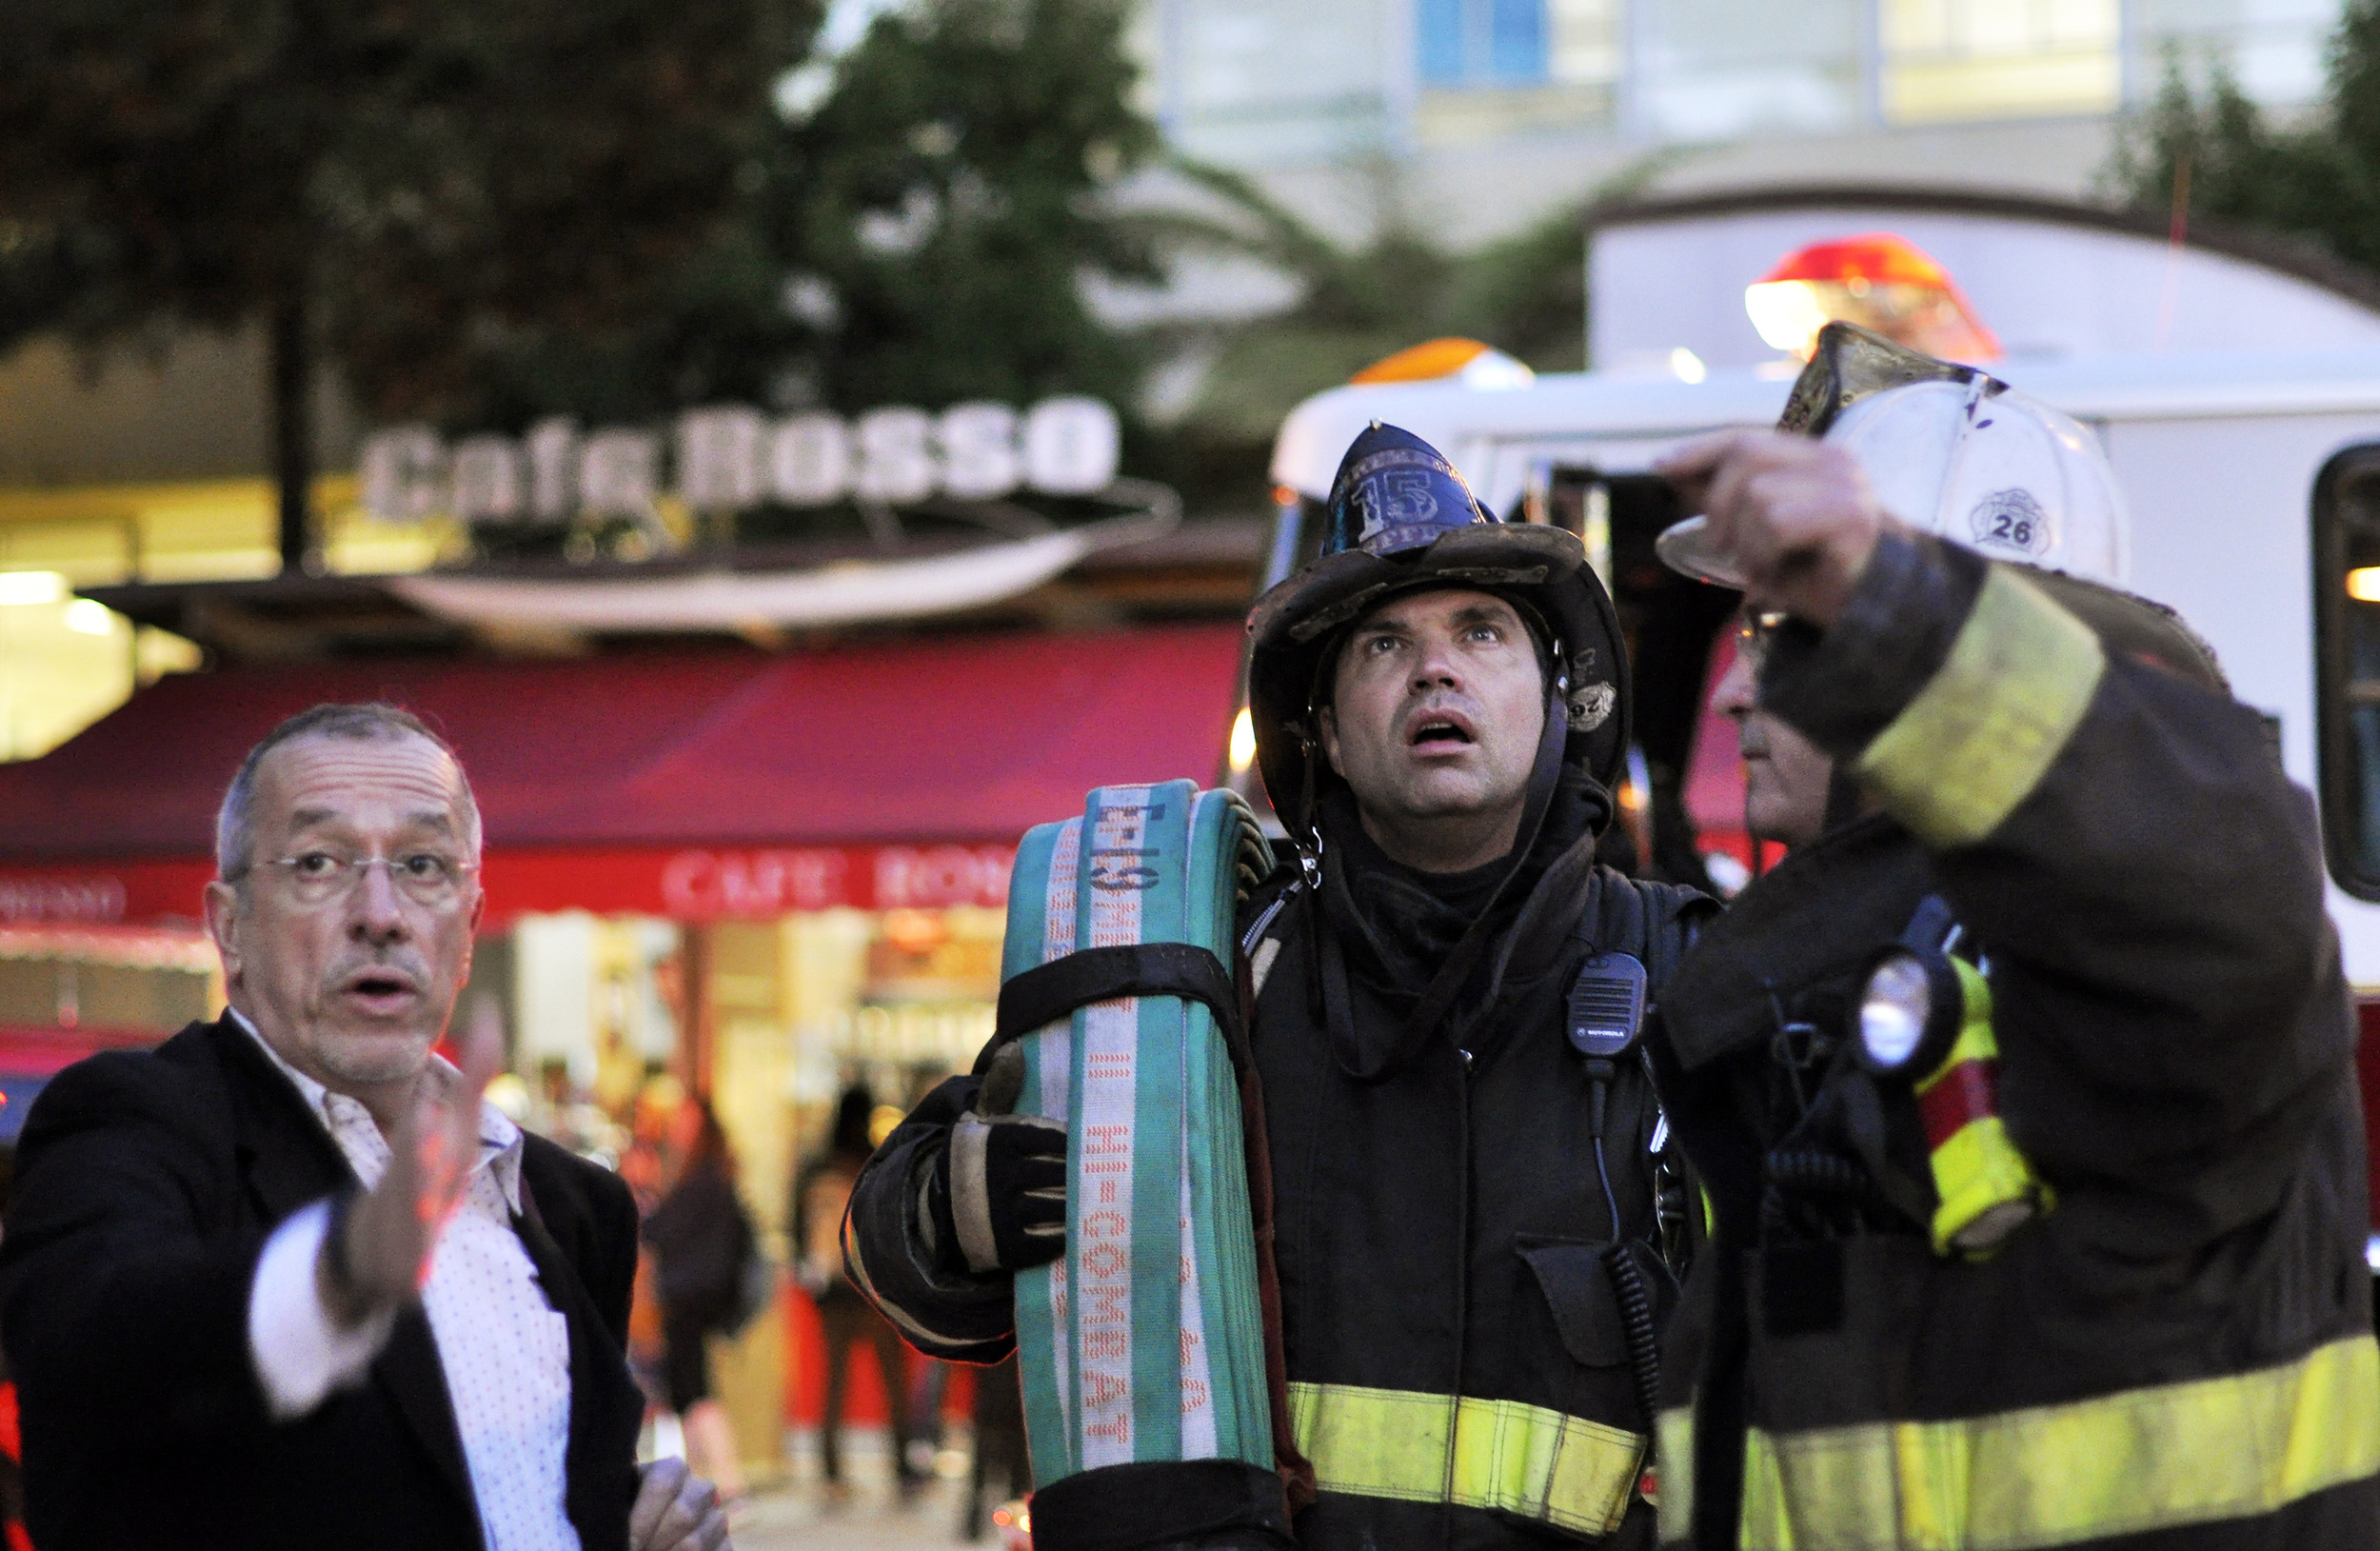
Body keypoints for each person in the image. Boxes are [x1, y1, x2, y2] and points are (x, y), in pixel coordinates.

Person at [843, 423, 1714, 1549]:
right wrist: (952, 1214)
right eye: (1382, 647)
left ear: (1555, 703)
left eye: (1481, 631)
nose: (1435, 667)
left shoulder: (1686, 978)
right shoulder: (1206, 978)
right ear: (1329, 743)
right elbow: (889, 1249)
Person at [1644, 325, 2380, 1549]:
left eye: (1782, 641)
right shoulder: (1829, 983)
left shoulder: (2126, 944)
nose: (1733, 693)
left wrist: (1887, 615)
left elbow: (2212, 873)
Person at [0, 703, 733, 1551]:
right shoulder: (131, 1121)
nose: (379, 911)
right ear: (229, 926)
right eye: (318, 862)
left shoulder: (571, 1205)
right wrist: (341, 1270)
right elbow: (95, 1345)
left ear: (465, 928)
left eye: (422, 864)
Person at [791, 1085, 922, 1503]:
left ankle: (831, 1471)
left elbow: (797, 1231)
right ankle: (901, 1465)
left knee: (833, 1383)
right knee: (893, 1381)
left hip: (830, 1293)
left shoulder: (816, 1167)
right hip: (873, 1290)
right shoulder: (875, 1160)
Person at [642, 1097, 751, 1507]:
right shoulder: (712, 1175)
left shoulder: (700, 1180)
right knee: (688, 1389)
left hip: (688, 1295)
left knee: (693, 1390)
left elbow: (661, 1231)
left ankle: (727, 1484)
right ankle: (710, 1485)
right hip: (699, 1295)